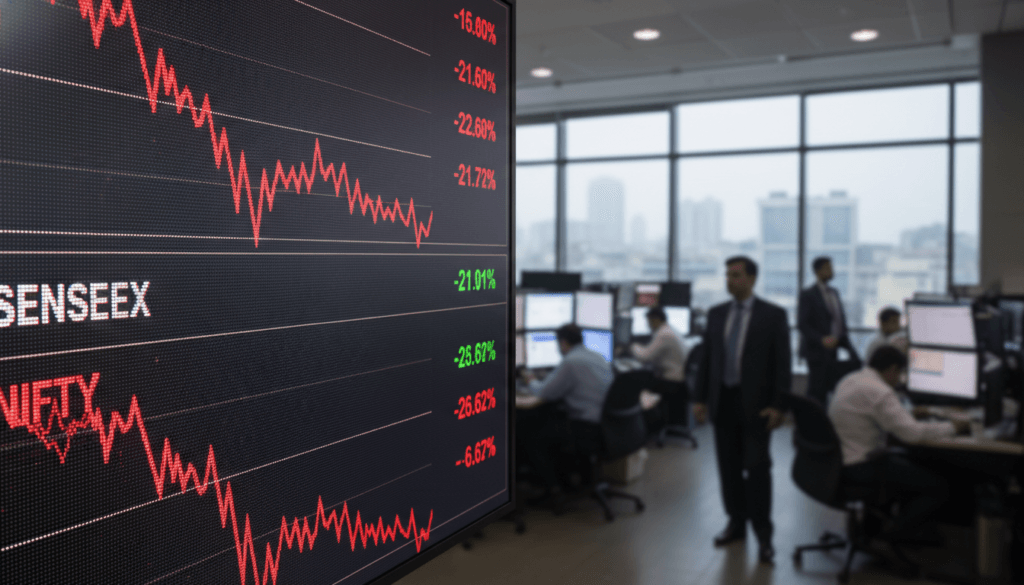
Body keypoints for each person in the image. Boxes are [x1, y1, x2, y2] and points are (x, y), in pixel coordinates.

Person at [693, 256, 791, 565]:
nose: (729, 280)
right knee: (729, 469)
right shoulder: (717, 314)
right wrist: (699, 398)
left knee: (758, 470)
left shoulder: (772, 315)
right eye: (727, 275)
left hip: (757, 406)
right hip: (723, 402)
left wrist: (779, 405)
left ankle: (764, 535)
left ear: (751, 279)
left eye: (735, 275)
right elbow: (707, 360)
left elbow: (782, 364)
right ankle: (736, 523)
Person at [829, 346, 968, 544]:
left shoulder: (852, 379)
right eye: (900, 373)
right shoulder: (880, 391)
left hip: (839, 461)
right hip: (860, 465)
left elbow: (878, 415)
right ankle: (894, 536)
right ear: (893, 369)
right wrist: (953, 427)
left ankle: (883, 529)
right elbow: (912, 434)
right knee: (938, 487)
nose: (899, 379)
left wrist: (907, 414)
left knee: (909, 463)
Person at [520, 324, 614, 506]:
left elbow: (543, 393)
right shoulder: (597, 356)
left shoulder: (571, 362)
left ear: (563, 343)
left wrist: (530, 379)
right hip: (606, 426)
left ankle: (553, 489)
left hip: (587, 428)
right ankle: (572, 482)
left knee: (532, 436)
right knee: (553, 422)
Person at [799, 256, 861, 405]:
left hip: (835, 348)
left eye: (832, 268)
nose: (832, 271)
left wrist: (848, 346)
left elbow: (839, 321)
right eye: (828, 268)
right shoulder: (808, 294)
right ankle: (811, 425)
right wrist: (822, 339)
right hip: (817, 350)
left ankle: (829, 422)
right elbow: (803, 324)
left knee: (833, 387)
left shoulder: (834, 292)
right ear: (817, 271)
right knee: (817, 391)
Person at [631, 306, 689, 433]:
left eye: (649, 321)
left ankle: (645, 427)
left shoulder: (664, 334)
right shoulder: (670, 330)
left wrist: (632, 346)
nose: (648, 325)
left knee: (635, 385)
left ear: (656, 319)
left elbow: (644, 357)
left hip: (671, 382)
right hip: (679, 380)